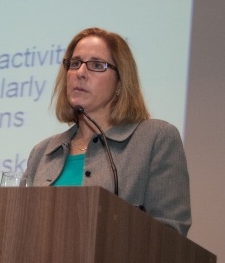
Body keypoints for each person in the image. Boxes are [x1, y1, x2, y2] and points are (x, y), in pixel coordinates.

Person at [23, 27, 191, 236]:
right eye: (74, 64)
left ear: (120, 82)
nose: (80, 73)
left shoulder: (156, 138)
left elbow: (170, 234)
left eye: (96, 65)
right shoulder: (42, 152)